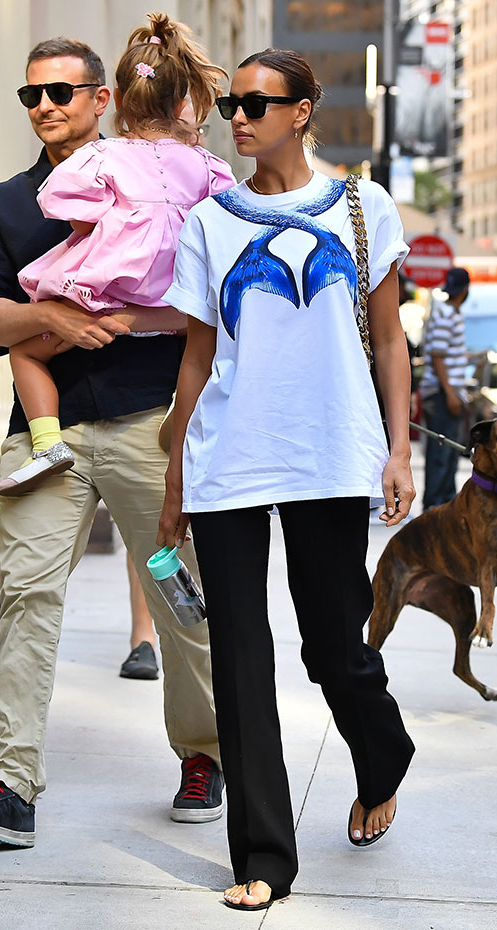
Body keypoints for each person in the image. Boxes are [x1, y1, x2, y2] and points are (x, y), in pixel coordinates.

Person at [0, 28, 231, 849]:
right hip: (45, 434)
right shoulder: (9, 204)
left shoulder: (163, 175)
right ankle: (8, 786)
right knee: (25, 598)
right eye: (32, 95)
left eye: (61, 93)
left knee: (180, 596)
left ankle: (204, 752)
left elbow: (205, 294)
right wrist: (52, 315)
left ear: (103, 99)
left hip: (149, 426)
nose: (45, 107)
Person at [157, 48, 416, 911]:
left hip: (328, 451)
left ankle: (383, 754)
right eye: (231, 104)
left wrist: (400, 449)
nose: (239, 118)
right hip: (229, 456)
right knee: (238, 655)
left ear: (302, 111)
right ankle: (265, 854)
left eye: (258, 105)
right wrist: (172, 483)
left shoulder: (361, 204)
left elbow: (388, 340)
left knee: (333, 645)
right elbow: (197, 357)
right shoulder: (210, 222)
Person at [0, 17, 233, 497]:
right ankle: (182, 411)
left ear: (115, 101)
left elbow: (74, 216)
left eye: (60, 92)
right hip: (172, 299)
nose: (44, 106)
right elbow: (221, 223)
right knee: (201, 337)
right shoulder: (209, 165)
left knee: (26, 348)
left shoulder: (102, 160)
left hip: (108, 293)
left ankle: (46, 443)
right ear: (184, 102)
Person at [420, 266, 470, 510]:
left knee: (448, 453)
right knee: (442, 452)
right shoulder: (447, 315)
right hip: (443, 393)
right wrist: (450, 393)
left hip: (448, 391)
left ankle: (445, 503)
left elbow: (445, 353)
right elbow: (438, 357)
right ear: (466, 289)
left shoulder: (449, 314)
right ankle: (436, 505)